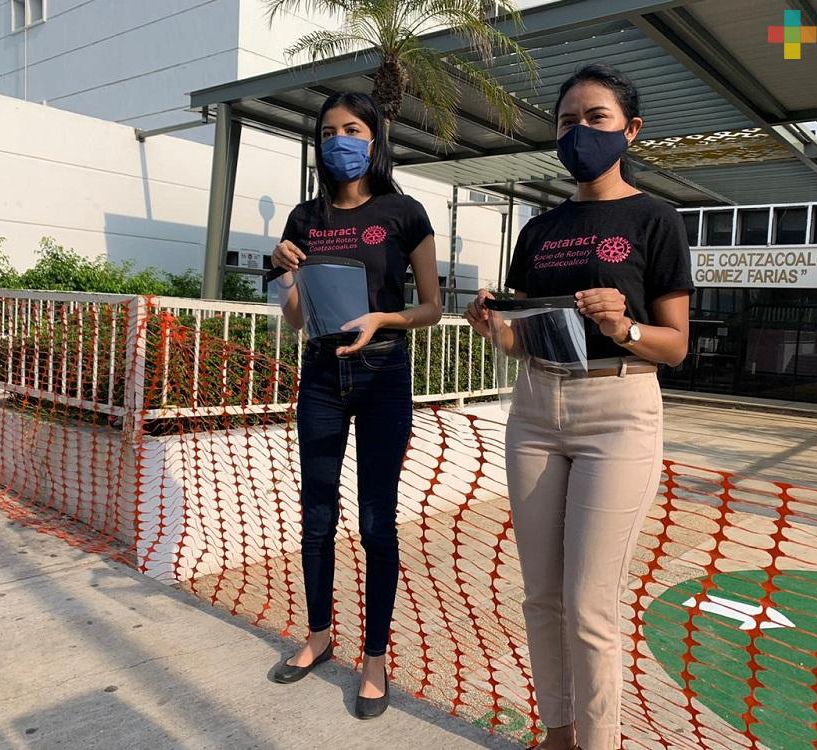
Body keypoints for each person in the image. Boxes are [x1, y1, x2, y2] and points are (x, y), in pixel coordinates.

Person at [466, 64, 693, 749]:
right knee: (541, 595)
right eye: (568, 121)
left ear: (631, 129)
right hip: (536, 407)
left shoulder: (655, 219)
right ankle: (558, 732)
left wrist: (624, 326)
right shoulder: (539, 230)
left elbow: (676, 346)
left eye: (596, 118)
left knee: (590, 604)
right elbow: (523, 339)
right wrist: (495, 328)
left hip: (617, 409)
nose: (580, 132)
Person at [269, 91, 442, 720]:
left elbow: (432, 307)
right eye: (327, 132)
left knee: (375, 522)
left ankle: (373, 659)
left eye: (352, 129)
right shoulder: (304, 218)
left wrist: (382, 318)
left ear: (374, 140)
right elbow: (297, 318)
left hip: (382, 372)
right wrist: (283, 272)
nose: (338, 141)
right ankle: (318, 636)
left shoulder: (405, 212)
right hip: (320, 373)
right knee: (316, 515)